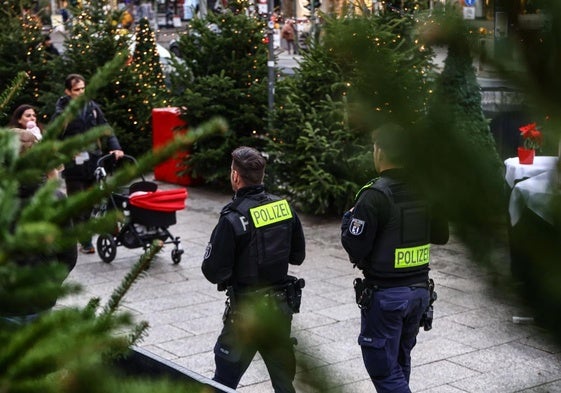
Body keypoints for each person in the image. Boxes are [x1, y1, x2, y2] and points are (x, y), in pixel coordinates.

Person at [340, 123, 449, 393]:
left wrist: (348, 219)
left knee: (383, 368)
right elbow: (441, 235)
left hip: (387, 297)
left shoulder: (375, 194)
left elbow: (356, 247)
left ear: (379, 152)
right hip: (419, 293)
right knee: (400, 362)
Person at [202, 146, 306, 392]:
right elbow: (297, 256)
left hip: (244, 316)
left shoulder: (232, 218)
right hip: (278, 311)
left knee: (224, 383)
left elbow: (213, 271)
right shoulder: (284, 208)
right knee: (283, 383)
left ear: (236, 176)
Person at [51, 73, 124, 254]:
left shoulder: (92, 107)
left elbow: (106, 129)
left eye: (83, 88)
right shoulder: (62, 113)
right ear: (68, 91)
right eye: (77, 90)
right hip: (74, 166)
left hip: (94, 161)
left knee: (94, 202)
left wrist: (115, 147)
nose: (81, 92)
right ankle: (85, 242)